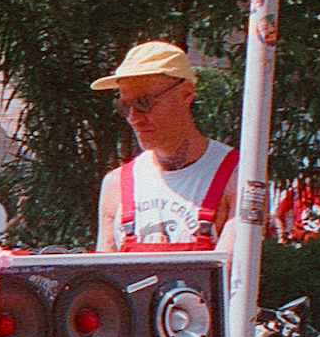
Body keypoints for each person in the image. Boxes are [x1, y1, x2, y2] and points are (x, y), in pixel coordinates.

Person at [92, 42, 239, 253]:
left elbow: (236, 276)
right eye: (125, 106)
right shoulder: (116, 184)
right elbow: (102, 279)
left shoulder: (236, 174)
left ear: (186, 94)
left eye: (144, 103)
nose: (133, 118)